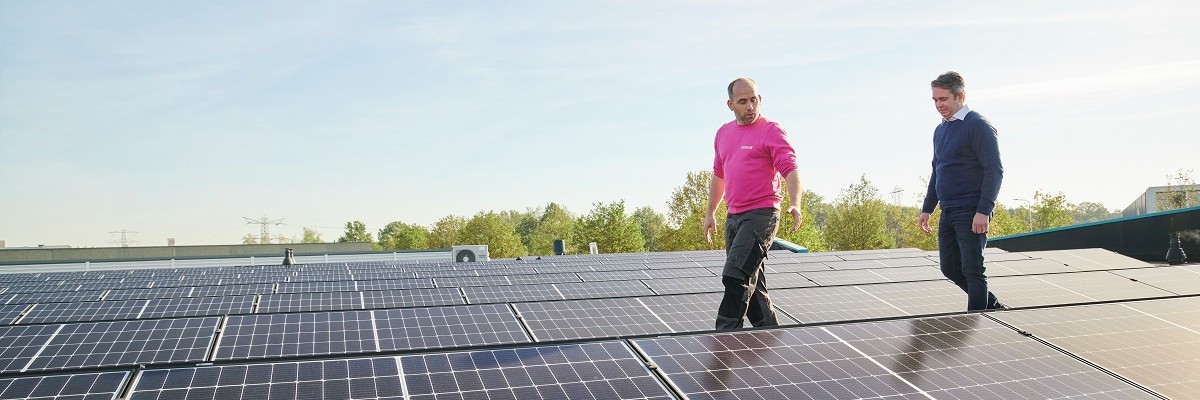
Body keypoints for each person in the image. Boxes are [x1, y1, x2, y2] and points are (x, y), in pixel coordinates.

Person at [704, 77, 802, 330]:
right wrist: (710, 213)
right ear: (730, 104)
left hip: (762, 214)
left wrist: (796, 203)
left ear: (760, 99)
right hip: (734, 216)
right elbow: (719, 175)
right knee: (753, 285)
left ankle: (724, 339)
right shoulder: (723, 133)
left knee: (735, 276)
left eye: (754, 100)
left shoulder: (771, 130)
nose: (750, 106)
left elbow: (790, 169)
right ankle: (770, 338)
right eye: (743, 101)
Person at [919, 71, 1005, 311]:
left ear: (960, 96)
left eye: (943, 99)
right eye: (935, 100)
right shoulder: (940, 130)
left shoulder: (979, 126)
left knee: (973, 269)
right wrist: (928, 208)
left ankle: (977, 321)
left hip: (971, 209)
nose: (938, 105)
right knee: (949, 268)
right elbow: (938, 171)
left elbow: (994, 171)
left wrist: (983, 210)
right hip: (948, 210)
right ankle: (993, 306)